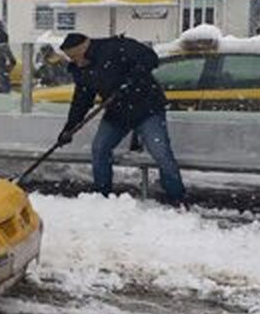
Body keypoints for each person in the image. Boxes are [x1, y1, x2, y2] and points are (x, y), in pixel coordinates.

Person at [57, 32, 186, 204]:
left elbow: (150, 58)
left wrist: (133, 77)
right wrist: (69, 128)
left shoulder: (116, 47)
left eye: (74, 56)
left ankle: (176, 197)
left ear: (85, 47)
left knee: (160, 152)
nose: (73, 60)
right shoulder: (82, 70)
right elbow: (81, 101)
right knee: (100, 148)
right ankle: (102, 195)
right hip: (117, 113)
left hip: (147, 108)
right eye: (70, 57)